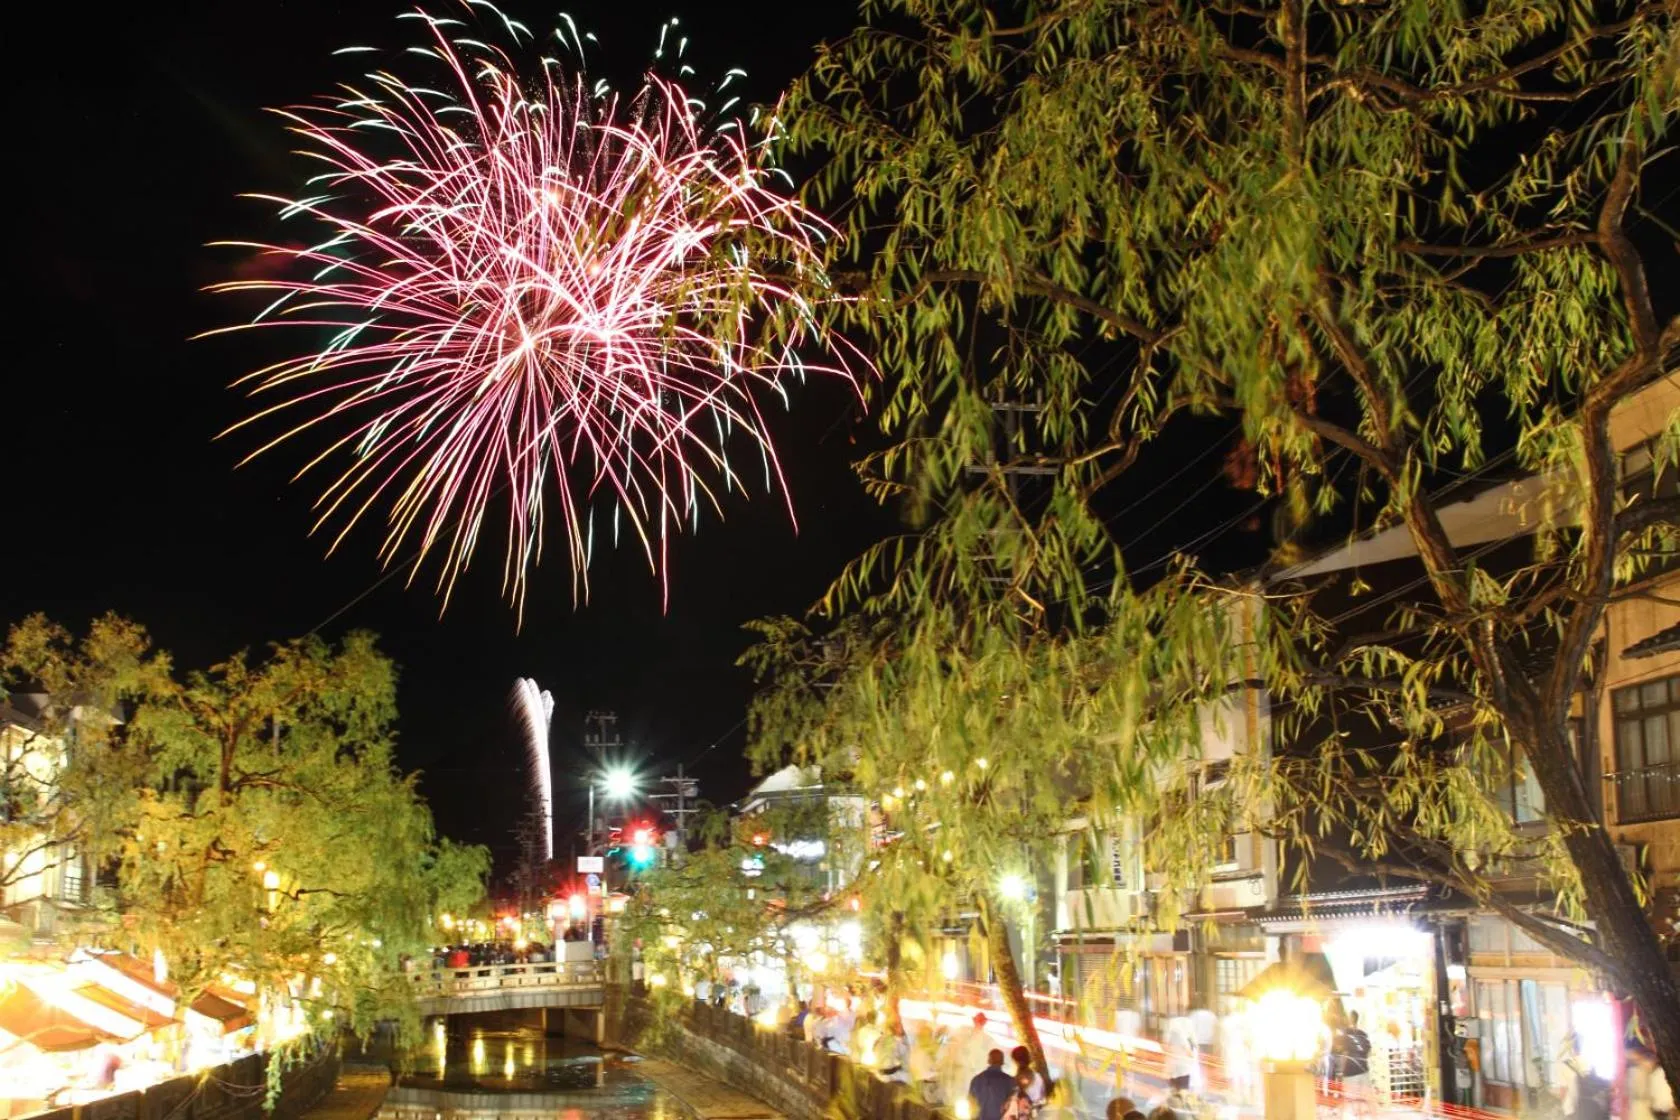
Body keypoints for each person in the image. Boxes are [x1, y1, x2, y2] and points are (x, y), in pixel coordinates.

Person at [1334, 1010, 1372, 1116]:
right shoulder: (1363, 1034)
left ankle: (1345, 1116)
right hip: (1364, 1069)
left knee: (1348, 1098)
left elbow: (1344, 1052)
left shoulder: (1345, 1033)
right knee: (1364, 1098)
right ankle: (1363, 1116)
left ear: (1350, 1019)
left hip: (1350, 1070)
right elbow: (1369, 1052)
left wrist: (1341, 1071)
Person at [969, 1049, 1020, 1120]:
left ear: (989, 1061)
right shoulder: (1010, 1081)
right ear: (1002, 1062)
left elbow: (971, 1105)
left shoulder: (976, 1080)